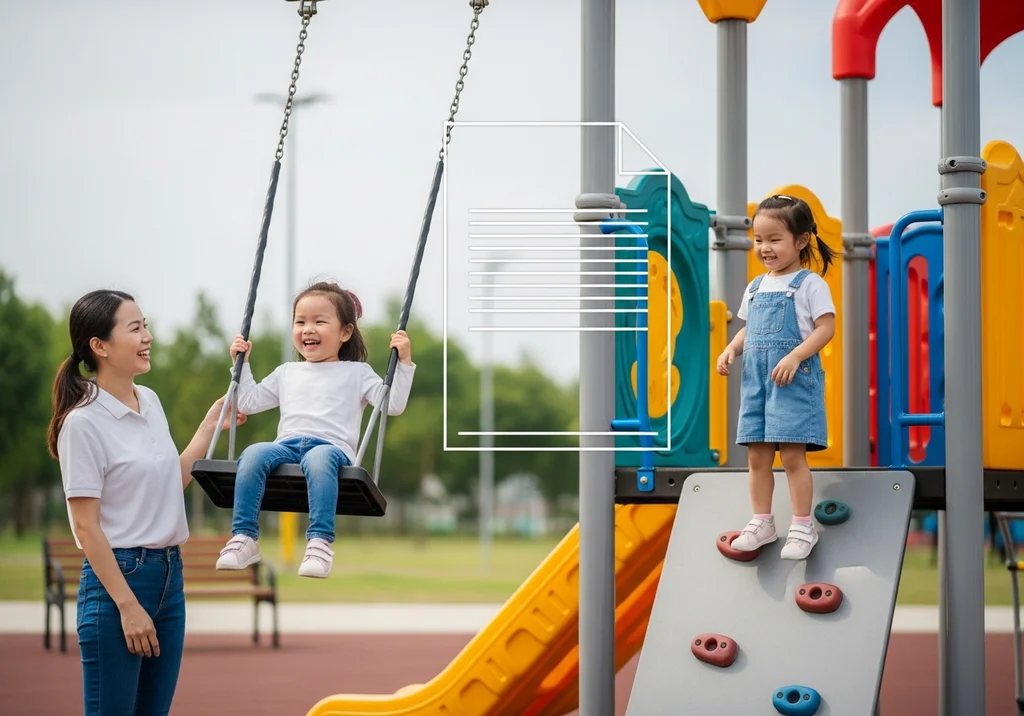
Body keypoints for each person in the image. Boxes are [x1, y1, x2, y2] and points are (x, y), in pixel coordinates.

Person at [47, 289, 245, 716]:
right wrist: (127, 604)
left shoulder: (149, 400)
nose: (147, 336)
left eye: (146, 326)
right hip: (119, 583)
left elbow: (170, 481)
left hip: (169, 579)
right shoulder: (82, 424)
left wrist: (212, 424)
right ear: (99, 346)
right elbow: (85, 527)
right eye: (134, 328)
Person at [215, 281, 416, 579]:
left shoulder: (357, 372)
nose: (308, 328)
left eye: (319, 321)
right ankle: (244, 537)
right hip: (287, 446)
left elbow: (393, 406)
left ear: (345, 332)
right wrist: (240, 365)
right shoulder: (287, 372)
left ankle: (319, 542)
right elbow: (248, 400)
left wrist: (404, 363)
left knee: (318, 459)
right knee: (253, 453)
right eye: (300, 321)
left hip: (331, 449)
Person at [715, 195, 838, 560]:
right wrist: (730, 349)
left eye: (774, 239)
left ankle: (802, 526)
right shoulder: (754, 287)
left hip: (792, 382)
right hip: (756, 385)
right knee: (757, 456)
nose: (764, 248)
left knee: (793, 457)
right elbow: (748, 329)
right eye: (759, 240)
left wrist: (797, 355)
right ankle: (763, 522)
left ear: (800, 241)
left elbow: (826, 328)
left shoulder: (809, 284)